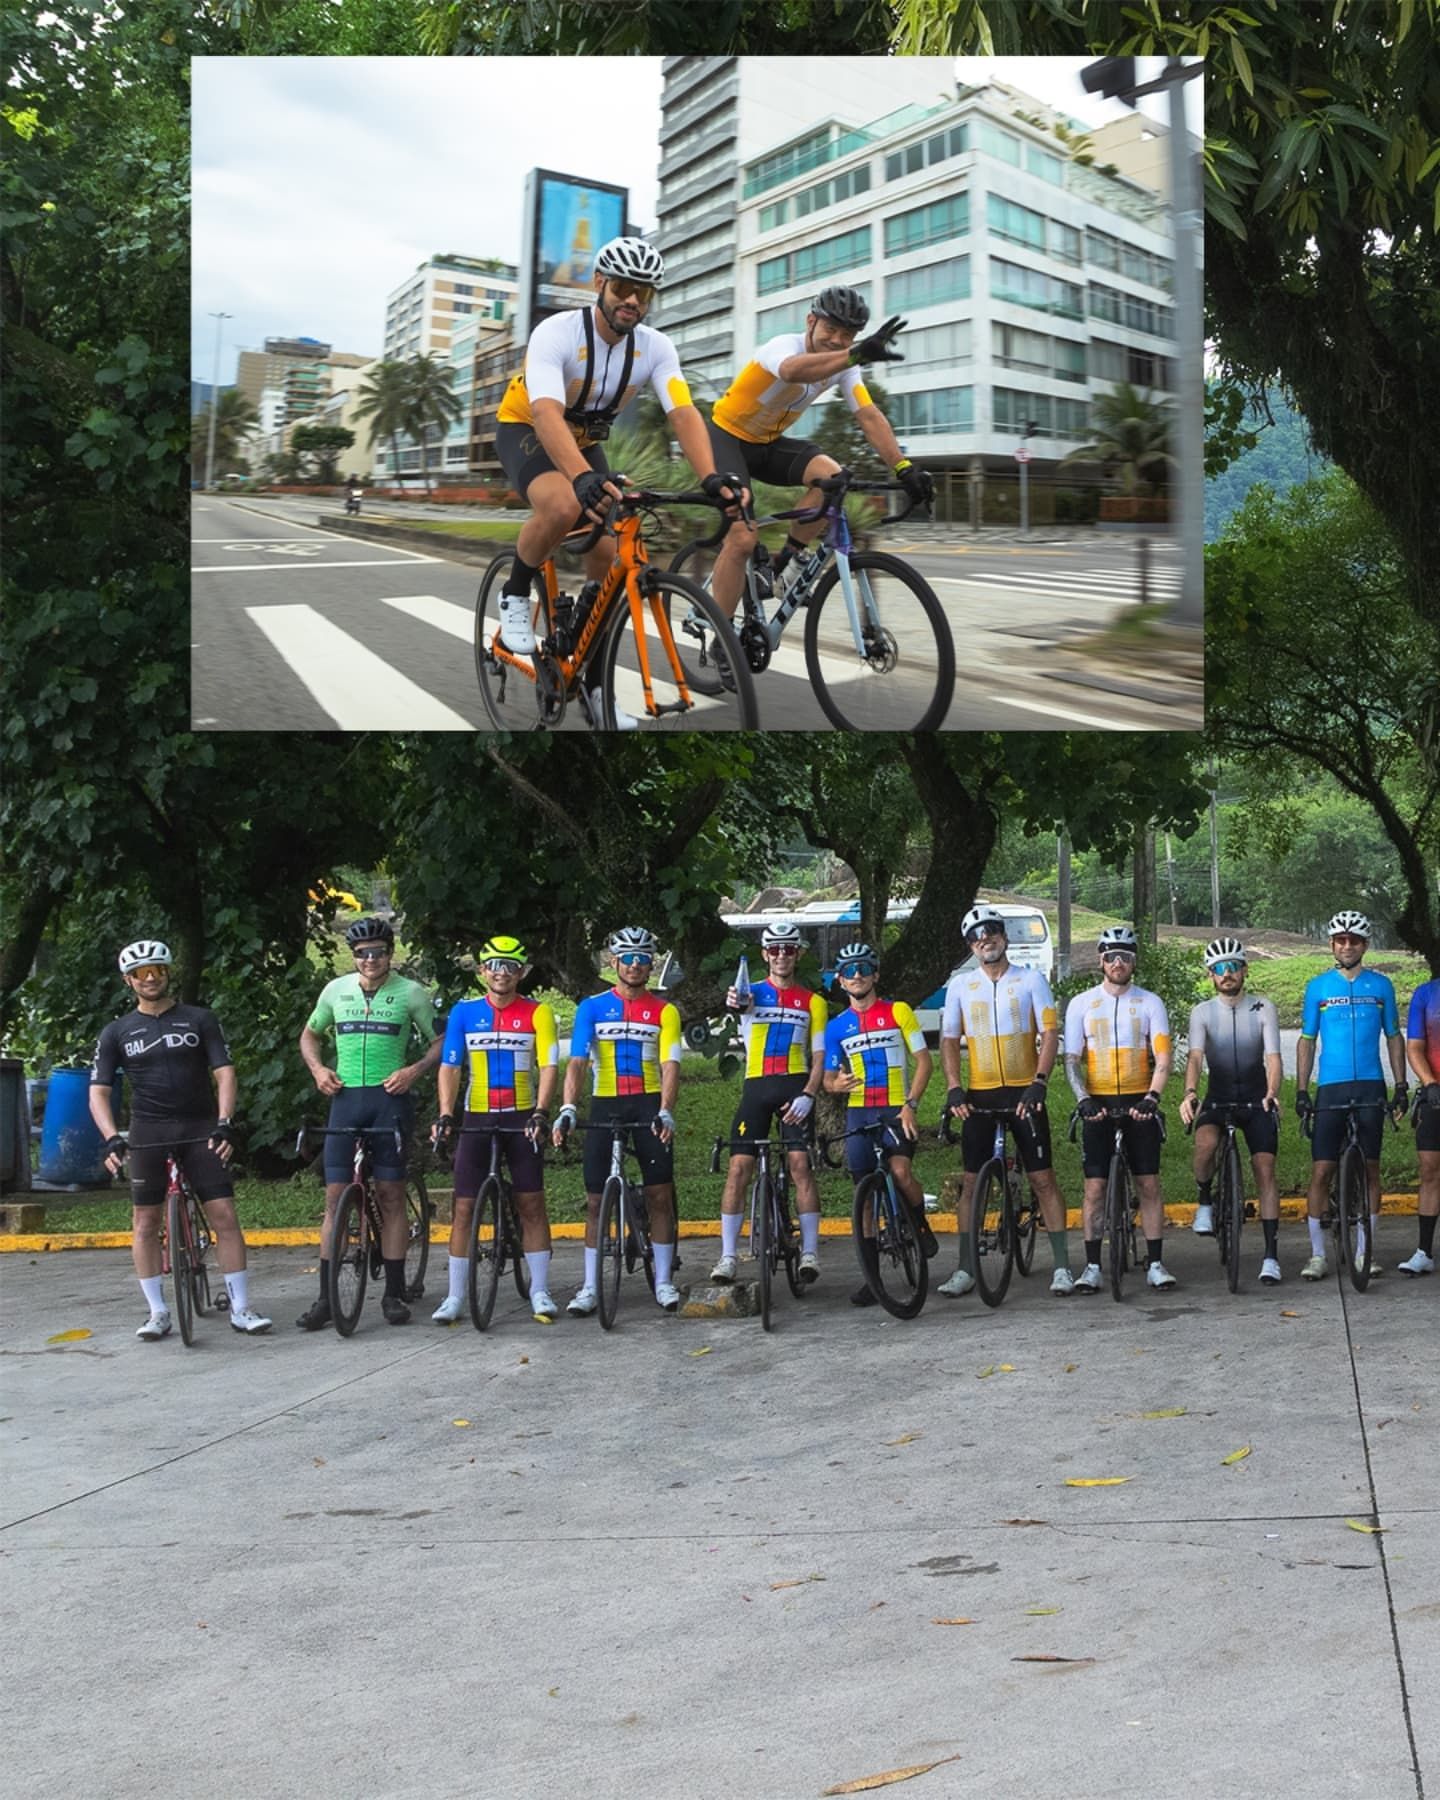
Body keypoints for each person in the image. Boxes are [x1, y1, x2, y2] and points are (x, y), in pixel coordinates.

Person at [492, 237, 747, 718]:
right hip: (526, 426)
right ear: (600, 284)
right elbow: (546, 414)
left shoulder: (656, 348)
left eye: (644, 292)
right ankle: (514, 594)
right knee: (565, 505)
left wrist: (712, 478)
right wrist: (582, 478)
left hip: (584, 440)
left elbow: (684, 413)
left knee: (611, 564)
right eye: (624, 287)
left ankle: (590, 683)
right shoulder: (556, 333)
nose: (633, 300)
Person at [705, 286, 934, 627]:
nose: (837, 340)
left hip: (767, 443)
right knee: (741, 539)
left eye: (848, 335)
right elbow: (793, 371)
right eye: (830, 329)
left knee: (834, 477)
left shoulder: (843, 366)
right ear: (810, 321)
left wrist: (903, 469)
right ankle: (721, 634)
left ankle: (788, 561)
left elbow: (868, 415)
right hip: (726, 439)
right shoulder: (783, 346)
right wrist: (854, 354)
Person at [89, 939, 271, 1338]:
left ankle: (241, 1307)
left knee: (224, 1214)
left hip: (199, 1128)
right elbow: (99, 1091)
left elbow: (224, 1072)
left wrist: (224, 1121)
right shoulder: (117, 1031)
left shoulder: (199, 1019)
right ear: (128, 981)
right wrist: (110, 1138)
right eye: (140, 973)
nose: (150, 977)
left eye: (157, 970)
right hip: (148, 1130)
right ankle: (157, 1312)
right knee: (145, 1221)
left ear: (169, 973)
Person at [297, 916, 440, 1329]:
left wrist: (413, 1070)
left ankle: (393, 1294)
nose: (370, 960)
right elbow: (309, 1034)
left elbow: (439, 1041)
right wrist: (318, 1070)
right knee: (335, 1198)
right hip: (344, 1099)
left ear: (389, 953)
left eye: (378, 952)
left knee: (391, 1194)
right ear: (354, 956)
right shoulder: (335, 991)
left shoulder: (411, 993)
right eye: (362, 954)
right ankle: (326, 1299)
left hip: (388, 1100)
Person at [939, 905, 1073, 1298]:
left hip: (1023, 1091)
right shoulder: (961, 987)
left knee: (1042, 1178)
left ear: (1004, 937)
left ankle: (1062, 1266)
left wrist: (1040, 1082)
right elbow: (948, 1040)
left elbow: (1050, 1032)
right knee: (969, 1182)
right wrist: (953, 1086)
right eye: (978, 936)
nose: (986, 939)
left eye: (993, 932)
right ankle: (966, 1268)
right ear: (971, 945)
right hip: (980, 1092)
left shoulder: (1030, 980)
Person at [554, 927, 684, 1314]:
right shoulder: (591, 1007)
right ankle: (590, 1287)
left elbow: (670, 1063)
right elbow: (577, 1061)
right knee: (595, 1202)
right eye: (627, 958)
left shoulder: (665, 1010)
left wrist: (666, 1108)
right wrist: (568, 1108)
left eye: (643, 958)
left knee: (660, 1194)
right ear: (614, 963)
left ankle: (663, 1282)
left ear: (651, 964)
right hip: (605, 1103)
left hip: (647, 1104)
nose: (635, 965)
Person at [431, 936, 560, 1324]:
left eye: (510, 965)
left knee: (531, 1203)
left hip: (521, 1116)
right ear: (482, 971)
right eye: (494, 965)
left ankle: (540, 1290)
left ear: (521, 972)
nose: (501, 972)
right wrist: (446, 1114)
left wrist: (541, 1111)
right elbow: (450, 1066)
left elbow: (549, 1066)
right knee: (464, 1207)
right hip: (478, 1116)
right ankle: (455, 1296)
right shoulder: (465, 1012)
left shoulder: (538, 1013)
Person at [709, 923, 828, 1286]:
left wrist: (809, 1095)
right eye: (774, 949)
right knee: (738, 1168)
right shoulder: (751, 993)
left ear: (798, 955)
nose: (781, 955)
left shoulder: (813, 1002)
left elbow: (820, 1056)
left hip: (795, 1089)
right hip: (756, 1090)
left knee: (800, 1165)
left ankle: (810, 1251)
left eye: (788, 949)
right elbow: (739, 1001)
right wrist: (735, 1000)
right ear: (764, 955)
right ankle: (728, 1256)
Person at [821, 940, 937, 1307]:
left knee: (901, 1173)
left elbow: (923, 1061)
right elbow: (826, 1079)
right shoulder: (836, 1027)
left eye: (864, 968)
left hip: (894, 1109)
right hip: (859, 1112)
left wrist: (910, 1105)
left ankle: (918, 1224)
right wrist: (833, 1084)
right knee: (864, 1199)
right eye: (849, 971)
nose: (857, 976)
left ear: (875, 974)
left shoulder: (898, 1011)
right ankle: (872, 1280)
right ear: (840, 981)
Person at [1063, 925, 1177, 1292]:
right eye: (1111, 956)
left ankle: (1156, 1262)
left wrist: (1153, 1097)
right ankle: (1093, 1266)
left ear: (1133, 962)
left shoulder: (1149, 1002)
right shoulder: (1081, 1004)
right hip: (1097, 1102)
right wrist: (1083, 1099)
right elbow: (1070, 1059)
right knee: (1094, 1188)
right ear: (1100, 959)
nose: (1118, 962)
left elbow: (1162, 1056)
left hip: (1138, 1101)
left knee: (1148, 1183)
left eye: (1125, 956)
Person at [1294, 910, 1406, 1280]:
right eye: (1340, 940)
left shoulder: (1381, 986)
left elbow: (1393, 1036)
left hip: (1371, 1084)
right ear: (1332, 944)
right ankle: (1317, 1254)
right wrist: (1300, 1090)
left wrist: (1402, 1085)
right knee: (1322, 1170)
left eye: (1354, 940)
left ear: (1365, 945)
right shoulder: (1319, 987)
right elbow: (1307, 1041)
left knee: (1372, 1169)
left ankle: (1364, 1251)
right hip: (1331, 1086)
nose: (1347, 946)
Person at [1179, 937, 1284, 1284]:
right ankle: (1205, 1200)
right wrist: (1190, 1093)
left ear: (1244, 970)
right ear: (1211, 975)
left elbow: (1273, 1057)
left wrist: (1272, 1091)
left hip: (1257, 1098)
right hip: (1218, 1096)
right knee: (1206, 1145)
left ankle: (1270, 1255)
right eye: (1219, 969)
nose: (1227, 974)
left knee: (1265, 1169)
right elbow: (1195, 1056)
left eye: (1233, 967)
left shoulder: (1263, 1007)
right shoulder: (1203, 1012)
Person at [1400, 970, 1440, 1274]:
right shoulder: (1426, 994)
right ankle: (1424, 1252)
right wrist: (1429, 1083)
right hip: (1435, 1095)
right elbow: (1414, 1047)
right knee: (1430, 1170)